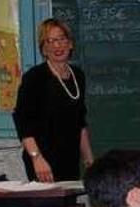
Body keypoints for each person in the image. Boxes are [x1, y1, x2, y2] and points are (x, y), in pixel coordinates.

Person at [13, 18, 93, 183]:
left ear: (70, 44)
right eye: (50, 41)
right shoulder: (34, 78)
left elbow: (80, 123)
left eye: (62, 39)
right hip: (42, 162)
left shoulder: (78, 76)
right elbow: (23, 123)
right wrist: (36, 158)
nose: (57, 46)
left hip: (70, 160)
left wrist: (89, 161)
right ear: (44, 49)